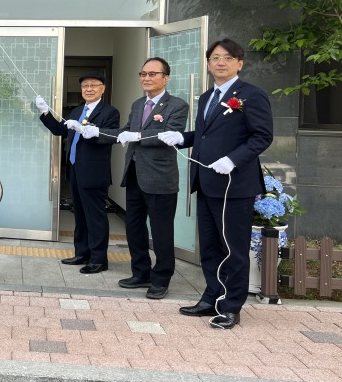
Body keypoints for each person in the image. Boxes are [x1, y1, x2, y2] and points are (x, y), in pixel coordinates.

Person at [158, 39, 273, 329]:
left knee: (233, 249)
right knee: (209, 247)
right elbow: (205, 134)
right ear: (208, 63)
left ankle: (231, 307)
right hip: (207, 182)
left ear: (239, 63)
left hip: (234, 185)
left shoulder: (251, 95)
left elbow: (262, 136)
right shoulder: (208, 96)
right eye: (215, 58)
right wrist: (182, 138)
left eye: (228, 57)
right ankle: (212, 297)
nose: (221, 62)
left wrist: (233, 160)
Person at [100, 58, 189, 300]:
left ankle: (161, 279)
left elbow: (169, 134)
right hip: (134, 174)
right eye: (143, 74)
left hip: (160, 178)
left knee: (161, 232)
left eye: (152, 74)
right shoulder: (139, 104)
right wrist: (95, 132)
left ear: (165, 78)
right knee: (134, 227)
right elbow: (125, 131)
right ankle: (141, 273)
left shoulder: (177, 105)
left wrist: (136, 135)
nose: (146, 78)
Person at [35, 73, 119, 274]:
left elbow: (110, 137)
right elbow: (60, 130)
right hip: (74, 170)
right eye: (85, 86)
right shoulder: (77, 111)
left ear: (103, 88)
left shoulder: (110, 112)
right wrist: (45, 112)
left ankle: (99, 259)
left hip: (94, 172)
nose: (89, 89)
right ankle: (82, 253)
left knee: (95, 216)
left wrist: (86, 130)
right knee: (79, 214)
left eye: (93, 85)